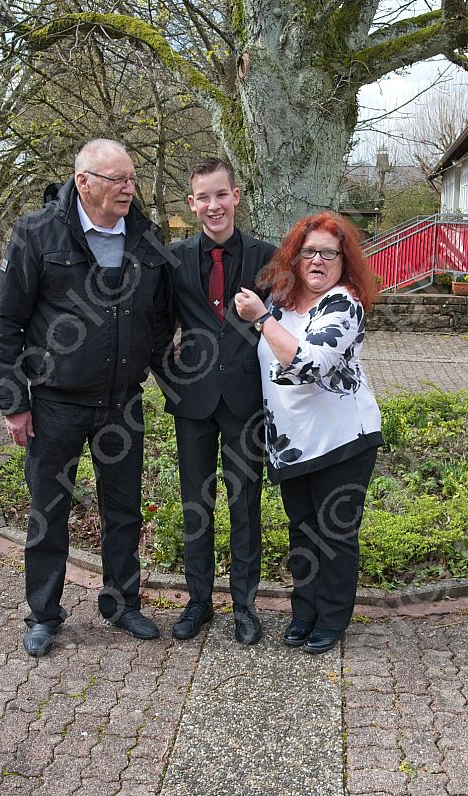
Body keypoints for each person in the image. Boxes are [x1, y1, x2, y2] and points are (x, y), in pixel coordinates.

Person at [0, 138, 171, 657]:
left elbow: (157, 324)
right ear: (84, 181)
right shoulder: (36, 233)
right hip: (55, 405)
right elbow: (4, 324)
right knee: (49, 512)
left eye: (132, 178)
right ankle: (44, 614)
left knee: (124, 509)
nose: (129, 188)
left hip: (121, 402)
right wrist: (14, 403)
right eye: (117, 179)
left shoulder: (146, 239)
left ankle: (122, 603)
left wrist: (180, 390)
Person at [235, 211, 383, 654]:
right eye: (309, 252)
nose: (318, 261)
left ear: (344, 261)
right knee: (301, 530)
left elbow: (308, 365)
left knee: (335, 535)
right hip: (293, 445)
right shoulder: (282, 299)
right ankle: (304, 611)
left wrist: (262, 319)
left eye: (329, 254)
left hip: (342, 441)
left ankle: (333, 619)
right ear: (296, 257)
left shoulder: (344, 304)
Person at [165, 157, 275, 645]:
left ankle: (245, 606)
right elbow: (153, 327)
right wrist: (171, 376)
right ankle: (199, 601)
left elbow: (286, 324)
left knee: (244, 504)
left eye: (221, 194)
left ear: (236, 196)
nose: (214, 205)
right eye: (203, 197)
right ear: (192, 205)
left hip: (245, 399)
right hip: (192, 401)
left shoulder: (267, 257)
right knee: (197, 504)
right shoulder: (173, 260)